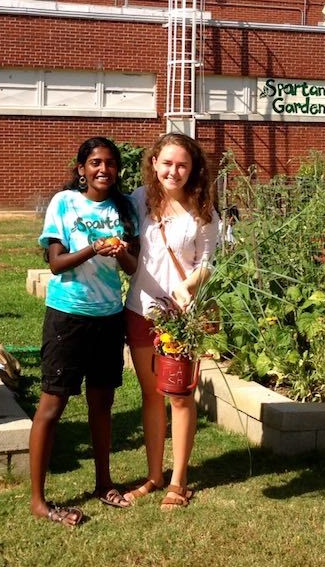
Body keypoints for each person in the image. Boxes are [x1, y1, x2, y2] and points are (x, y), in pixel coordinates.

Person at [30, 137, 139, 528]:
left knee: (101, 406)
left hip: (108, 317)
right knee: (52, 406)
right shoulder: (64, 203)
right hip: (67, 317)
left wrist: (120, 251)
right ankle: (38, 500)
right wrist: (93, 248)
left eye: (110, 163)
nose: (103, 170)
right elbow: (56, 263)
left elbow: (131, 267)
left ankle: (104, 482)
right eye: (94, 163)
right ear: (81, 169)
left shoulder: (124, 209)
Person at [123, 133, 220, 510]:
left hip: (180, 319)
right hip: (140, 310)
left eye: (181, 165)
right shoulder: (138, 200)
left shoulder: (203, 210)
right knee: (150, 396)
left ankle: (178, 480)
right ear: (154, 164)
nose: (173, 171)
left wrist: (190, 283)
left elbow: (209, 262)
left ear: (193, 168)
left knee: (179, 397)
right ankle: (153, 475)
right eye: (166, 163)